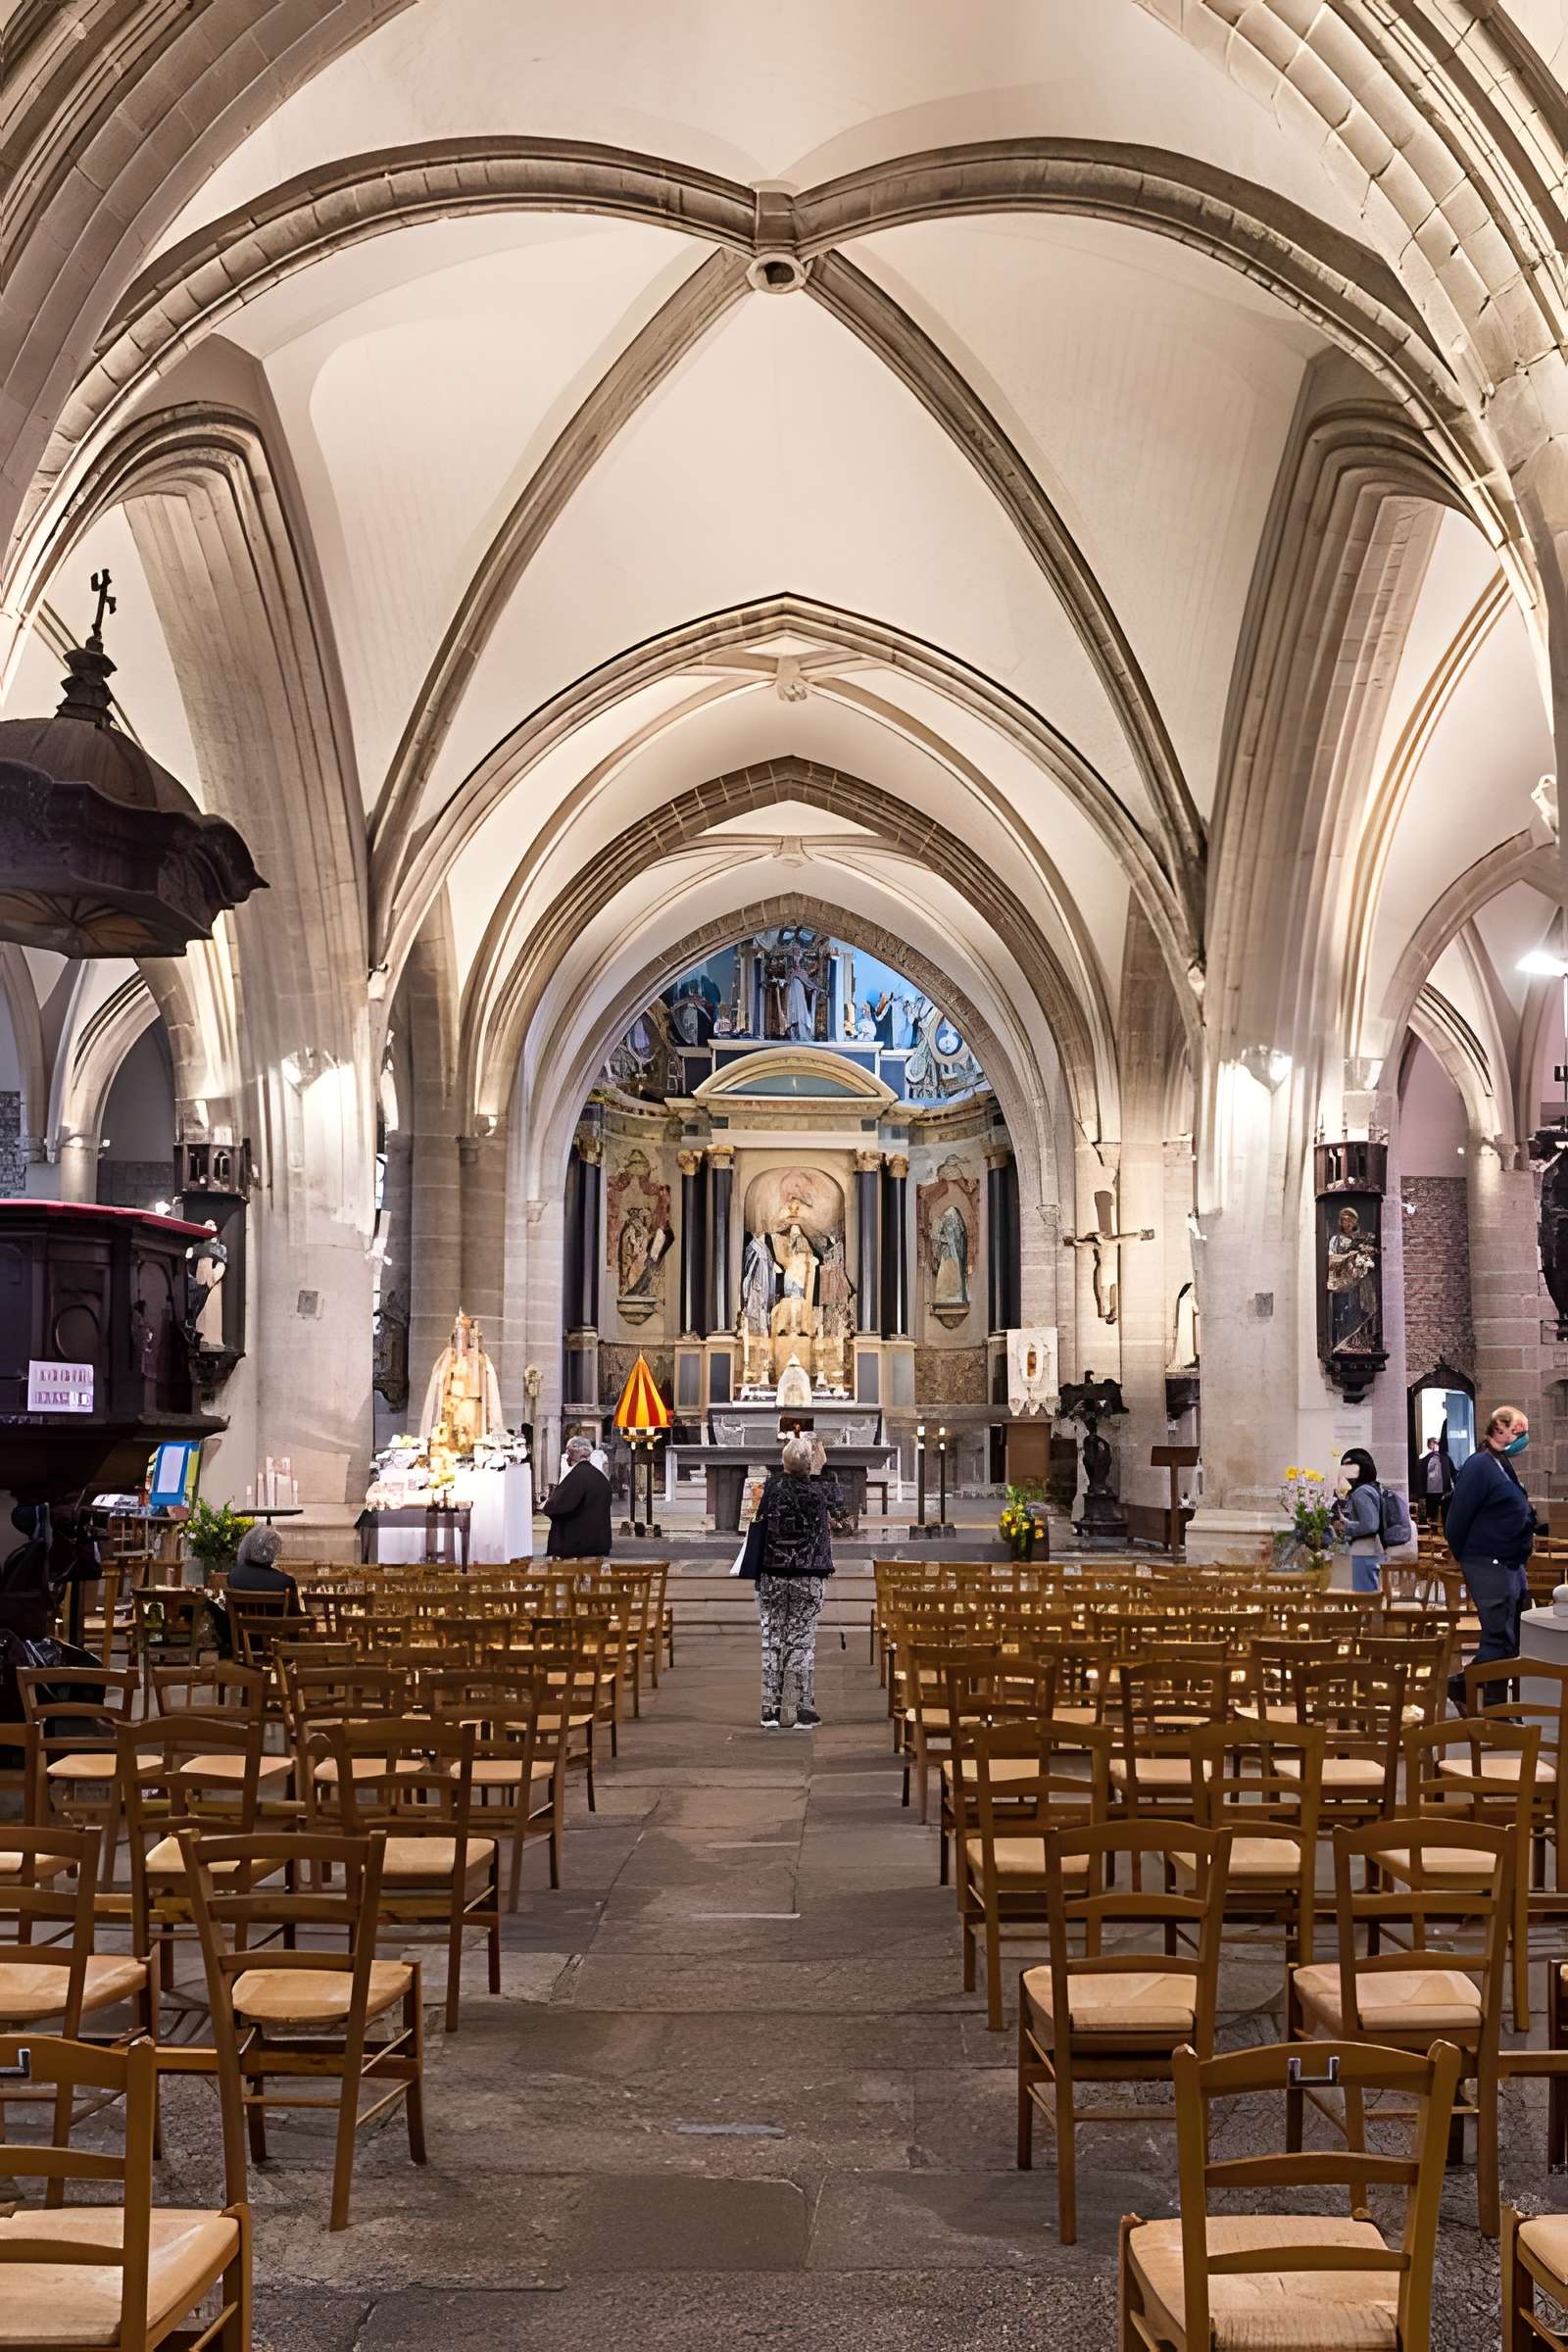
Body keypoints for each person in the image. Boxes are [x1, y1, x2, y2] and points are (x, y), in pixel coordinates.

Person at [1446, 1403, 1536, 1707]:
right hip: (1488, 1564)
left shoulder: (1501, 1463)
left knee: (1509, 1641)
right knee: (1498, 1638)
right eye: (1520, 1432)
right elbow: (1456, 1523)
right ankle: (1460, 1687)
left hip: (1509, 1564)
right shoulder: (1479, 1466)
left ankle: (1498, 1707)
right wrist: (1473, 1562)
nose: (1524, 1438)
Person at [754, 1435, 838, 1731]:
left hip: (772, 1573)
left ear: (783, 1462)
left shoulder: (771, 1489)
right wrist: (819, 1467)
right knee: (801, 1641)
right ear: (810, 1465)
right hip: (807, 1575)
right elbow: (837, 1507)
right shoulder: (819, 1493)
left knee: (772, 1640)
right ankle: (802, 1709)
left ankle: (771, 1710)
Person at [212, 1523, 299, 1659]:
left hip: (242, 1643)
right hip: (274, 1647)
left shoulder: (235, 1575)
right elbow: (295, 1621)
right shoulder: (286, 1581)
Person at [542, 1434, 612, 1560]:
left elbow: (559, 1506)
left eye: (568, 1451)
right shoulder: (600, 1477)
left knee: (574, 1579)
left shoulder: (576, 1476)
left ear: (575, 1452)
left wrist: (548, 1505)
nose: (567, 1456)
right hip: (599, 1542)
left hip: (577, 1544)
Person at [1331, 1447, 1385, 1593]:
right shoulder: (1371, 1488)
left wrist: (1346, 1526)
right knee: (1368, 1597)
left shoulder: (1361, 1492)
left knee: (1364, 1597)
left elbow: (1370, 1524)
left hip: (1364, 1550)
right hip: (1370, 1549)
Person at [1419, 1435, 1454, 1528]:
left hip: (1443, 1492)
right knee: (1432, 1515)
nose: (1436, 1445)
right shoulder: (1425, 1459)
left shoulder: (1445, 1458)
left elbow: (1453, 1472)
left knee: (1443, 1515)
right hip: (1432, 1492)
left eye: (1437, 1443)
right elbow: (1421, 1476)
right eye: (1434, 1443)